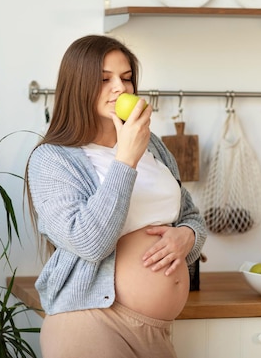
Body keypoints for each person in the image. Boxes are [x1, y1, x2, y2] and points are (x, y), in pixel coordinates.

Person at [25, 34, 207, 358]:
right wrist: (125, 160)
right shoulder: (53, 159)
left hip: (156, 332)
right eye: (104, 79)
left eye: (126, 78)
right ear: (78, 85)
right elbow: (90, 242)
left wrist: (187, 237)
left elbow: (190, 215)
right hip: (92, 325)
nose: (120, 88)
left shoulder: (154, 147)